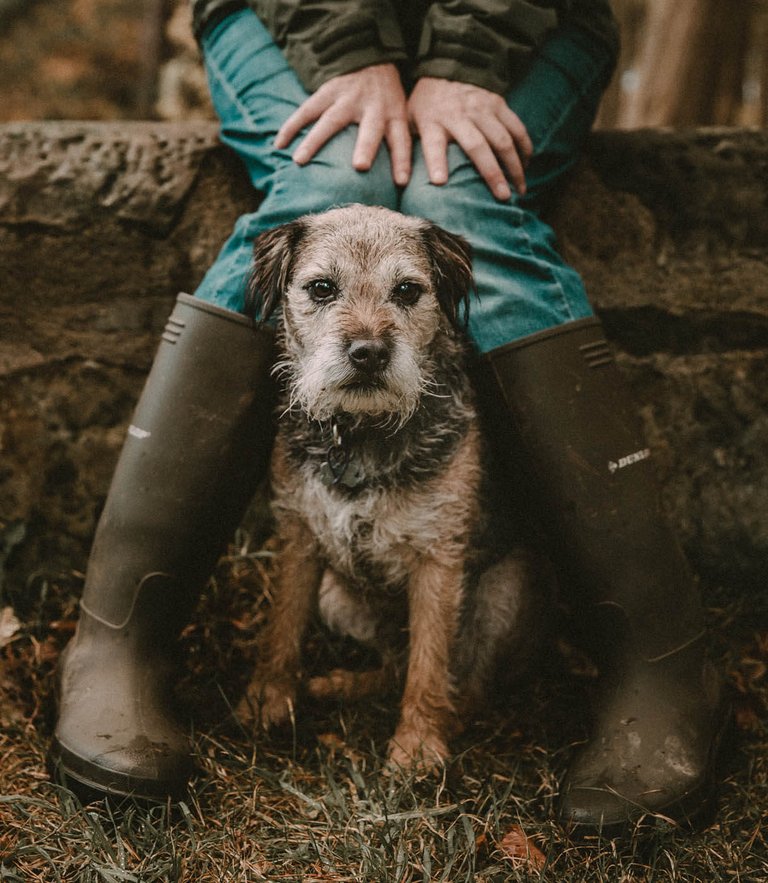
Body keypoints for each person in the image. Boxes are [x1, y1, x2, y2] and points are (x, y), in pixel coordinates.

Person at [51, 0, 725, 833]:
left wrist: (471, 59)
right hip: (288, 15)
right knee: (330, 183)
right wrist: (340, 43)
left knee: (461, 200)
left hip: (530, 22)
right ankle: (119, 634)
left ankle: (658, 658)